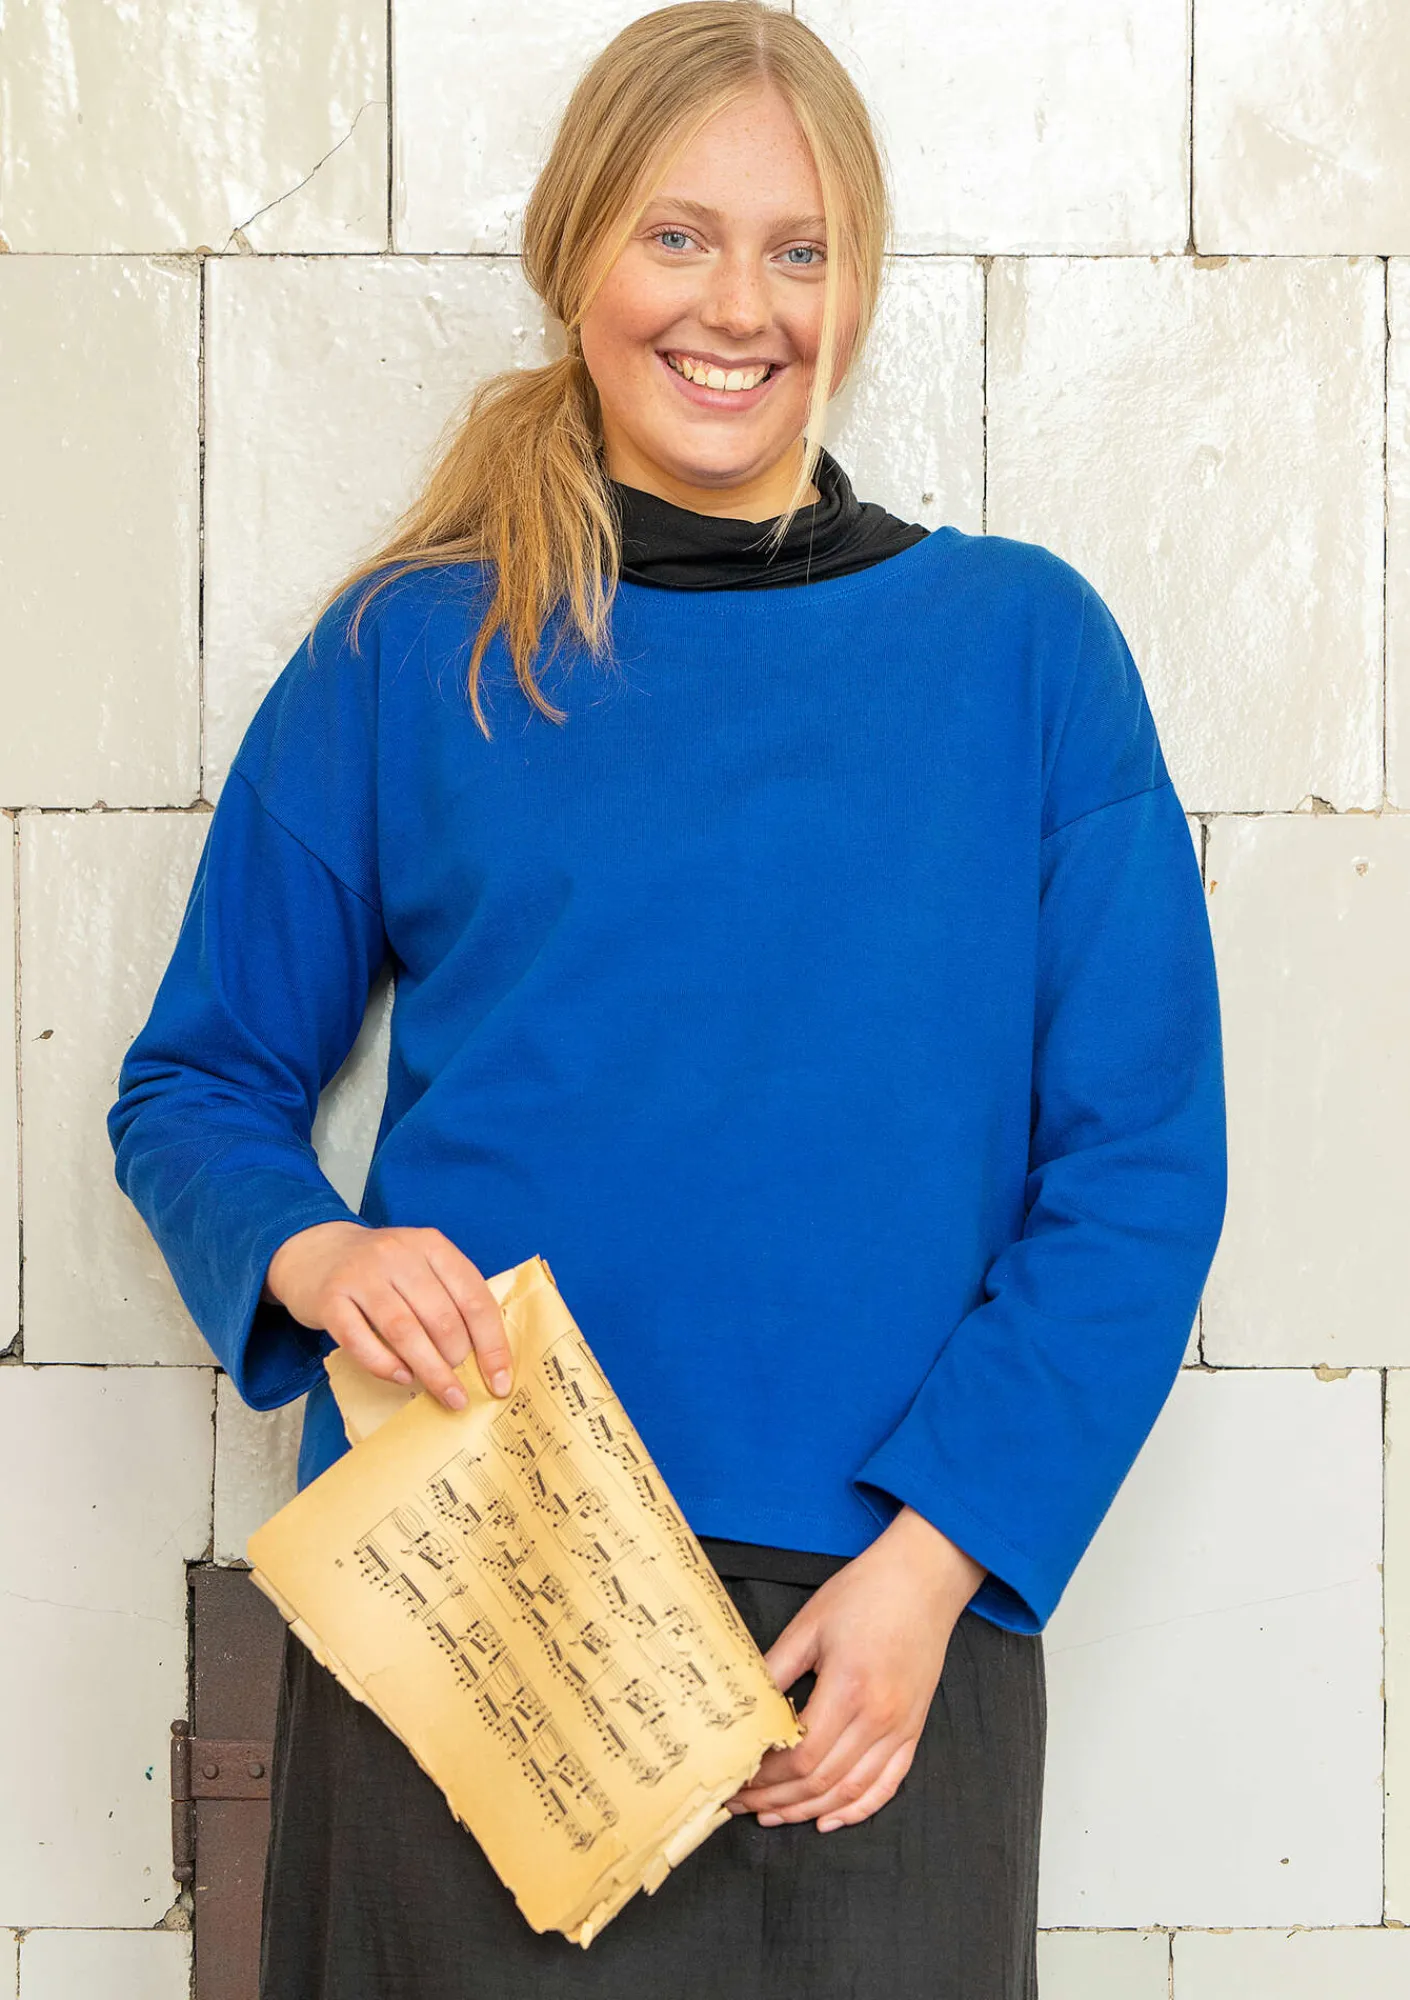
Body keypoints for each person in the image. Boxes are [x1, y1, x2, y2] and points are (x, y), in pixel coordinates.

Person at [105, 4, 1228, 1995]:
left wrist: (935, 1563)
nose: (737, 305)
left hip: (874, 1633)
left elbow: (1136, 1169)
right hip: (478, 1601)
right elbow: (195, 1084)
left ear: (857, 287)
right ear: (577, 260)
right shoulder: (409, 654)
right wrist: (316, 1255)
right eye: (677, 235)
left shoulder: (1025, 652)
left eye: (799, 249)